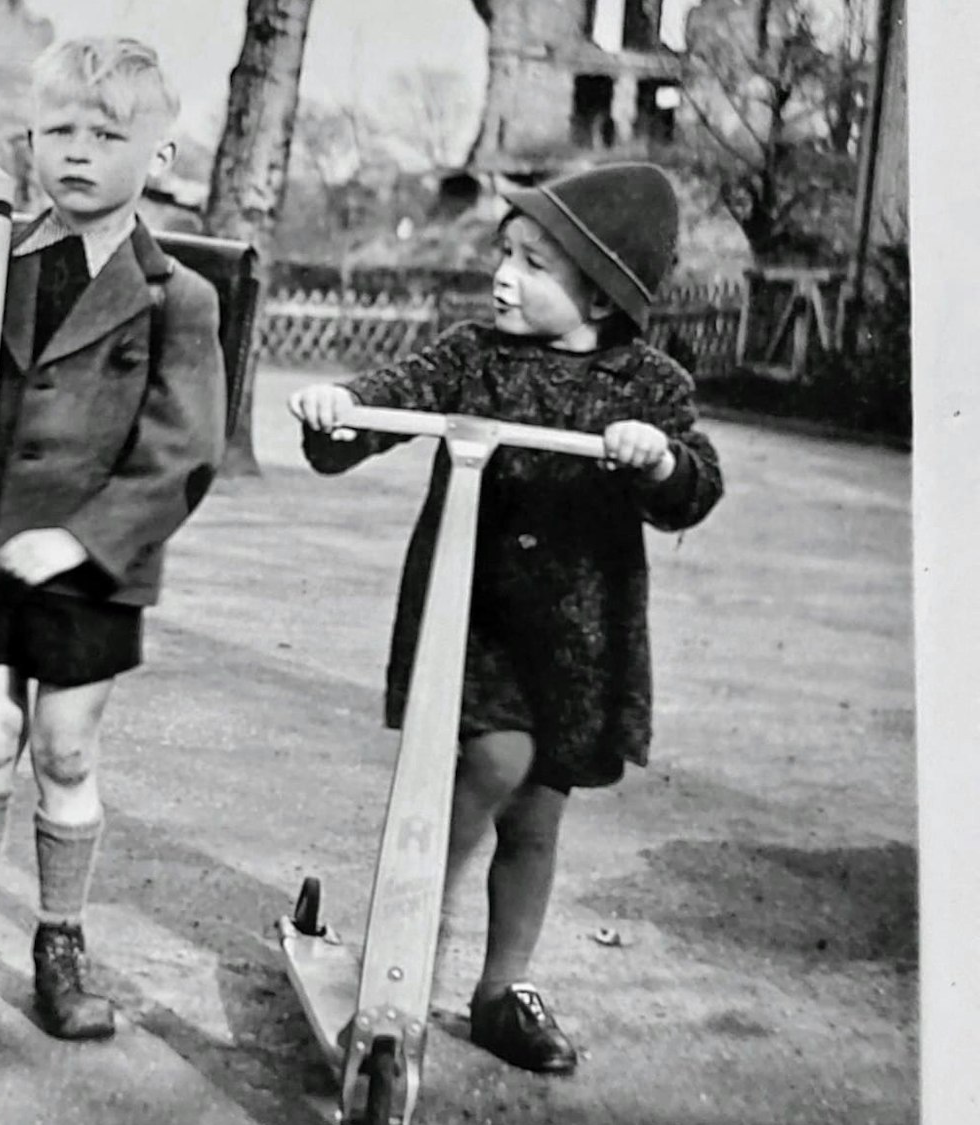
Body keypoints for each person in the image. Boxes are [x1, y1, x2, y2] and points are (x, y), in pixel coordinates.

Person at [289, 163, 725, 1075]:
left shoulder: (648, 383)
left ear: (600, 295)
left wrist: (656, 459)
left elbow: (694, 484)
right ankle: (403, 944)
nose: (503, 277)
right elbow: (380, 406)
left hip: (577, 640)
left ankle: (501, 989)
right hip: (473, 619)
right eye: (505, 255)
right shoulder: (472, 357)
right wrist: (339, 413)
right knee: (494, 758)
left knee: (535, 816)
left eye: (533, 264)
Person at [0, 37, 226, 1047]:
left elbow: (183, 450)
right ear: (30, 140)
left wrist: (79, 540)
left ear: (160, 155)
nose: (78, 151)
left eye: (106, 134)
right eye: (59, 130)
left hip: (92, 568)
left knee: (66, 753)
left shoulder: (177, 296)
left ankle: (60, 943)